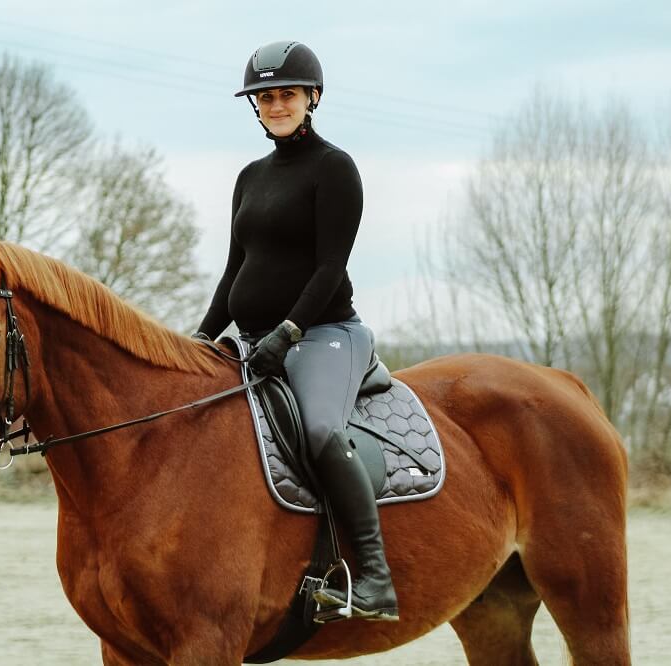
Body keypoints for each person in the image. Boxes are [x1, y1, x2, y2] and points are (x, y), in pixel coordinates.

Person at [194, 40, 398, 621]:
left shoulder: (334, 168)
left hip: (325, 333)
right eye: (264, 97)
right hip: (255, 338)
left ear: (311, 98)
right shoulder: (249, 177)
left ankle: (374, 579)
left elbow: (331, 265)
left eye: (286, 95)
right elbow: (236, 269)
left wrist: (288, 330)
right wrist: (202, 338)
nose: (275, 104)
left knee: (320, 433)